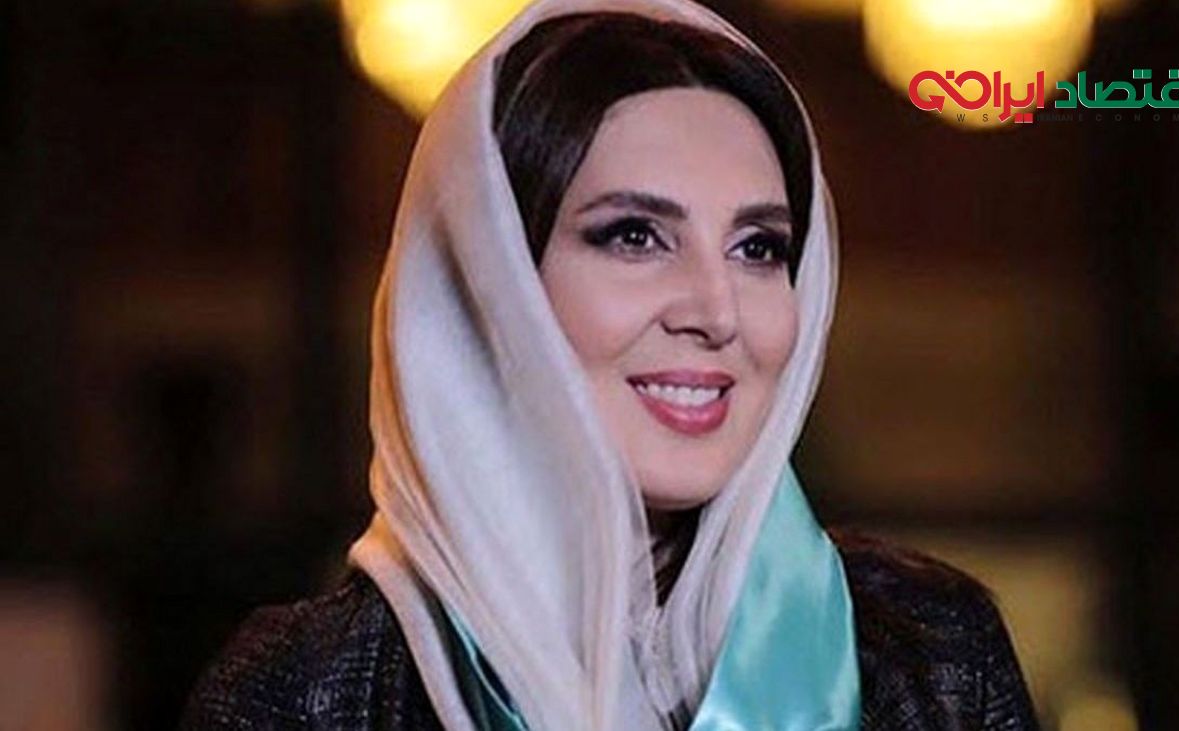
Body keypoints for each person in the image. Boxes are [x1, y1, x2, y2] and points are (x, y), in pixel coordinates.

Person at [183, 0, 1039, 728]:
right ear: (494, 281)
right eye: (635, 236)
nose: (716, 312)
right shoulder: (314, 692)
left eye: (758, 246)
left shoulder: (926, 655)